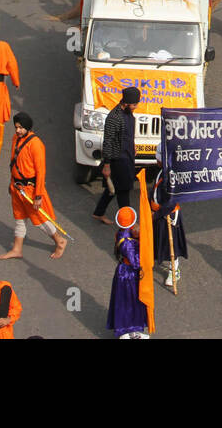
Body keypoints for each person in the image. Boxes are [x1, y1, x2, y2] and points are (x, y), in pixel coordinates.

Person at [0, 112, 66, 260]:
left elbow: (41, 172)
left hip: (30, 189)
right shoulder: (15, 138)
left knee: (40, 219)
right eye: (16, 127)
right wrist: (11, 184)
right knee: (19, 218)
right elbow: (13, 163)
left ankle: (59, 241)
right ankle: (17, 249)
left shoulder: (36, 144)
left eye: (21, 128)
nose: (17, 130)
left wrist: (38, 196)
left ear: (28, 128)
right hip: (16, 188)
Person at [93, 87, 138, 223]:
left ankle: (98, 212)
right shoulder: (114, 117)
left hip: (128, 156)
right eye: (134, 104)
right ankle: (128, 222)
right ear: (126, 103)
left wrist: (133, 145)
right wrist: (106, 165)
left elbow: (128, 134)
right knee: (123, 190)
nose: (136, 107)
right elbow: (108, 142)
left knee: (113, 188)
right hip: (118, 159)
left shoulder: (129, 113)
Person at [108, 206, 150, 338]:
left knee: (132, 302)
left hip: (126, 272)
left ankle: (134, 330)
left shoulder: (125, 233)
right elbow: (136, 261)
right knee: (127, 303)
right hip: (128, 274)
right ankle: (125, 331)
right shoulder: (126, 241)